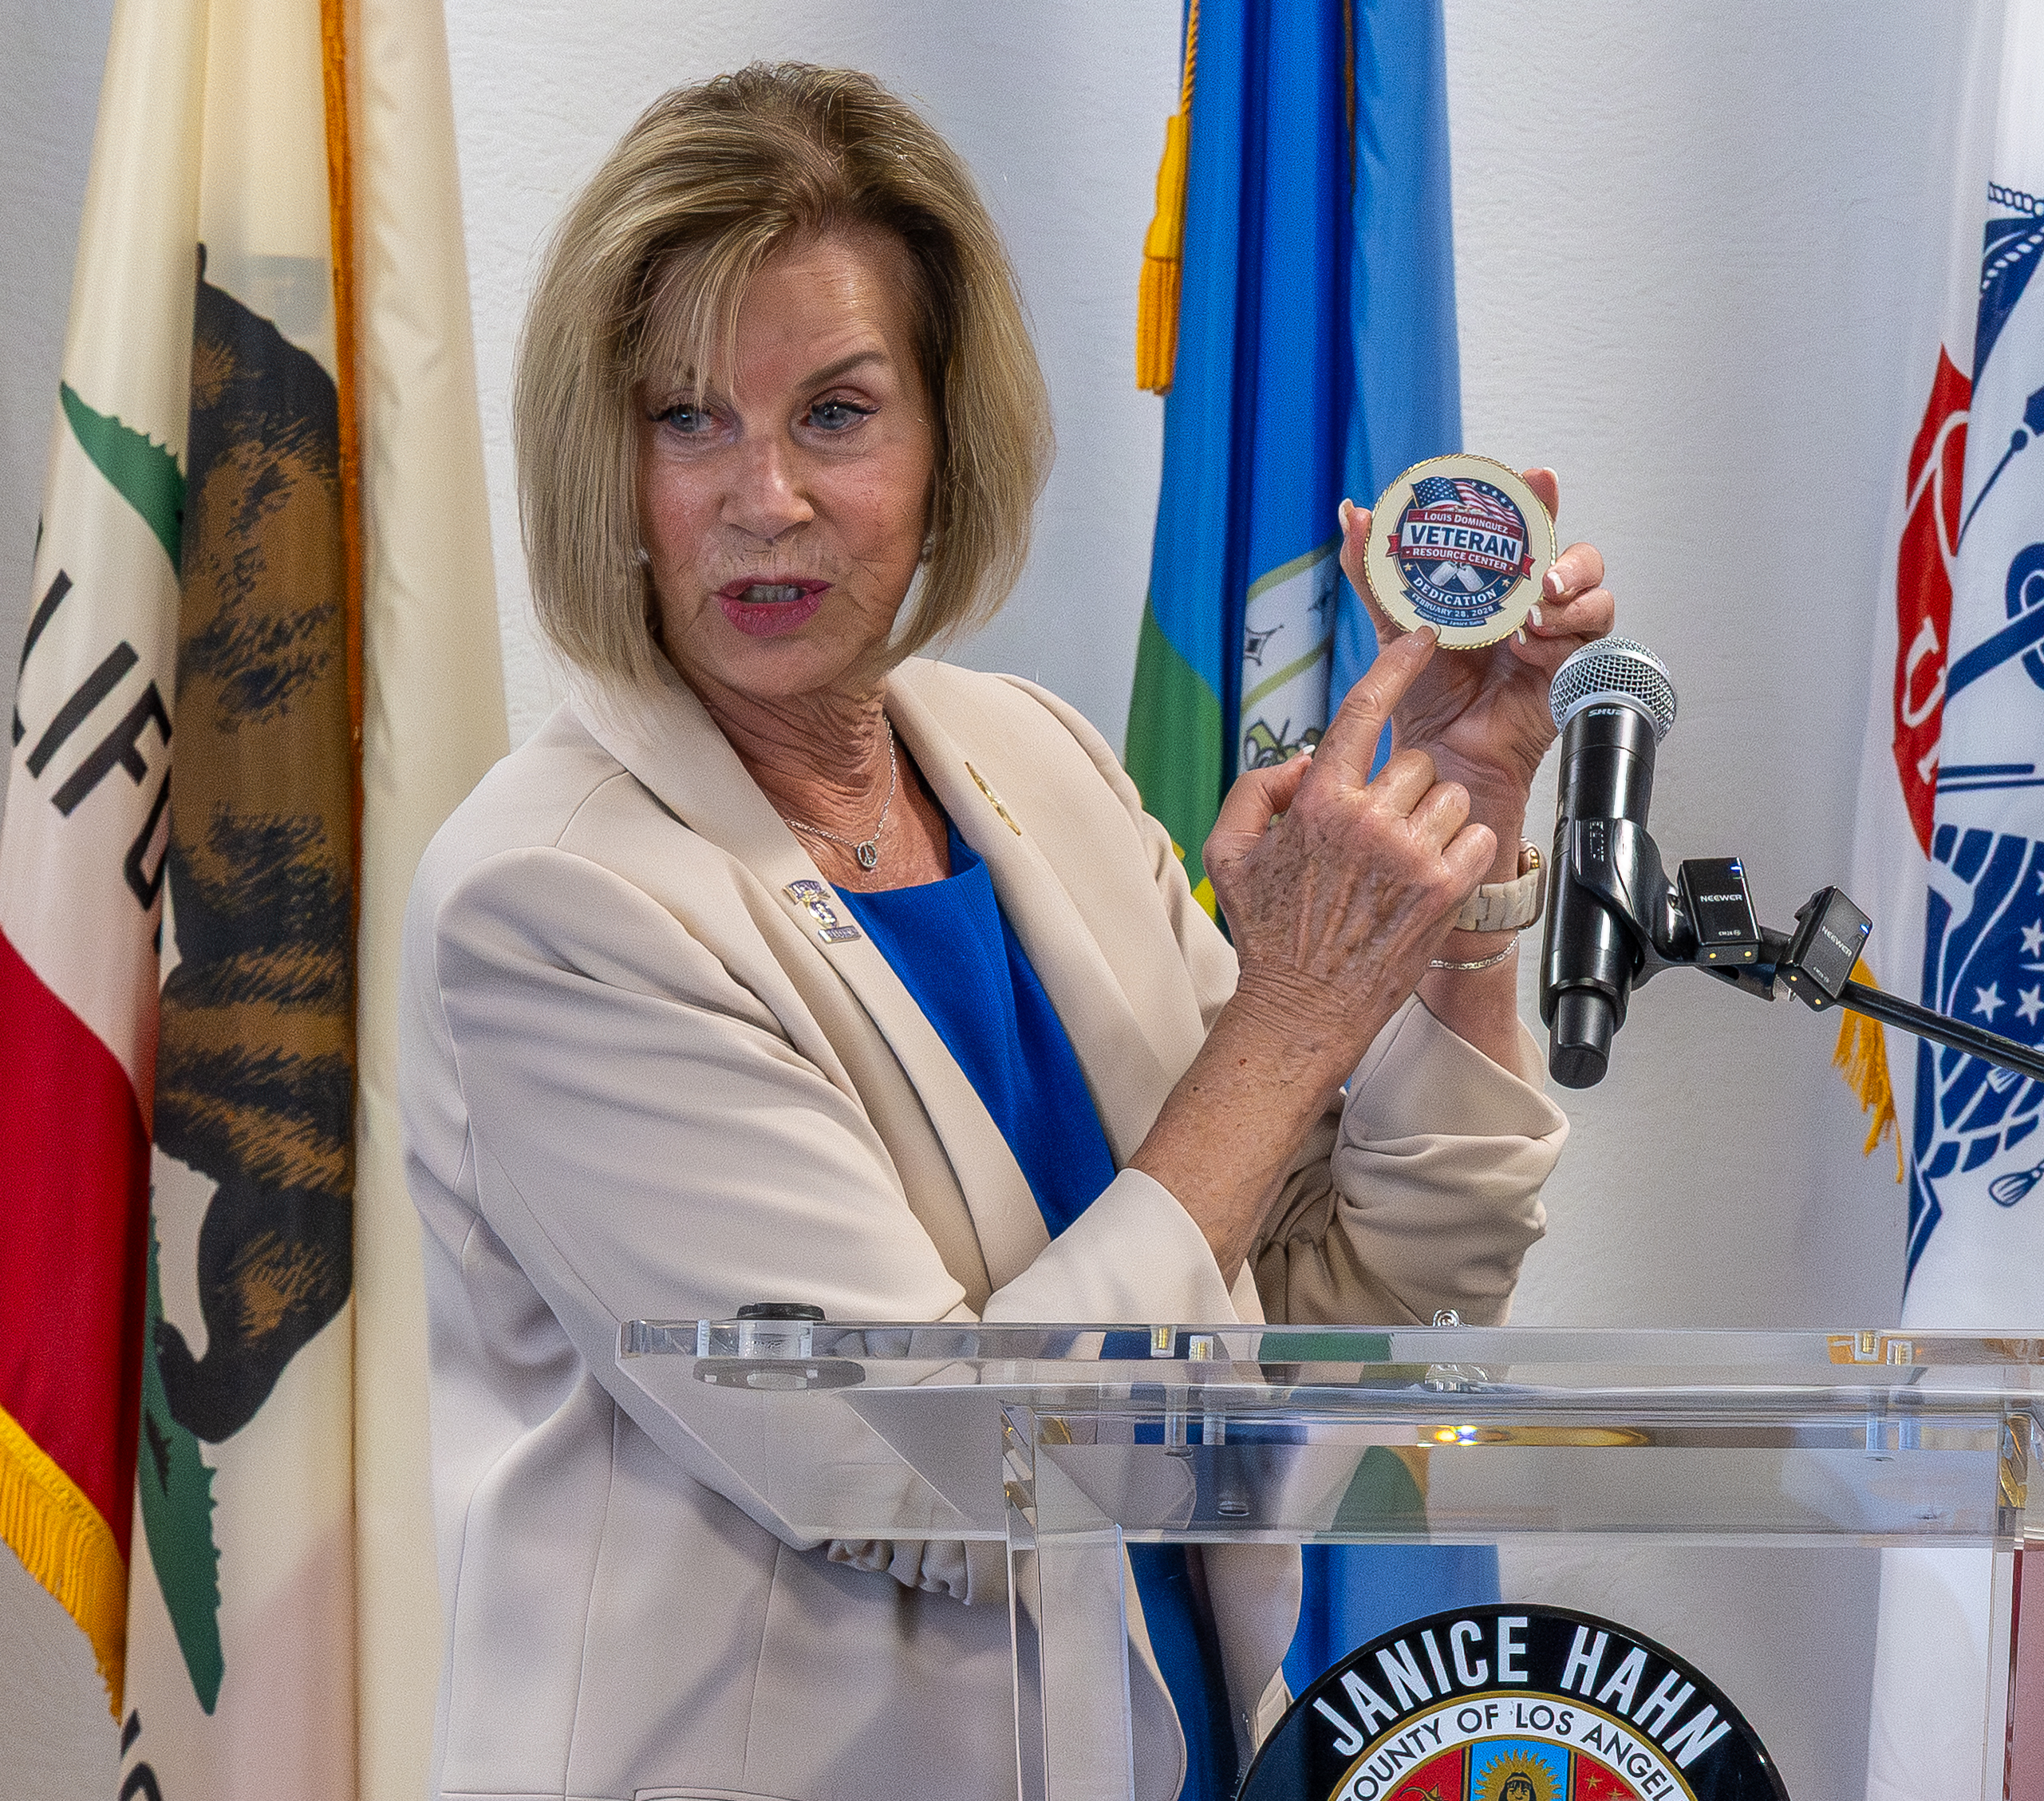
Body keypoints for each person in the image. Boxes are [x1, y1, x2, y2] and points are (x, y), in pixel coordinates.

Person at [399, 62, 1610, 1801]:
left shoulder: (1027, 756)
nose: (763, 496)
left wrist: (1459, 858)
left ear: (947, 441)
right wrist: (1288, 1020)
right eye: (689, 419)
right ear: (611, 460)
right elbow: (938, 1467)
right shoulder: (550, 900)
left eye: (836, 412)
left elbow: (1349, 1301)